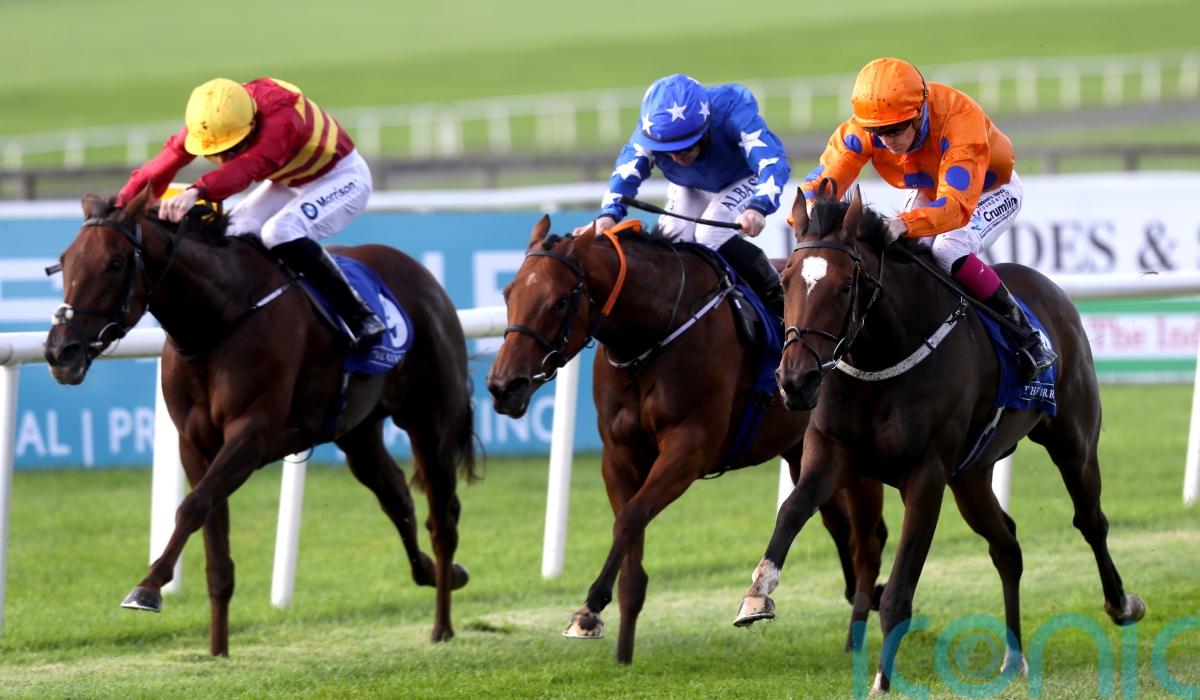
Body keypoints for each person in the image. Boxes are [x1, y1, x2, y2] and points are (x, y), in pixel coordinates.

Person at [800, 57, 1055, 382]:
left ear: (918, 113)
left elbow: (956, 206)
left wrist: (904, 223)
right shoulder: (865, 128)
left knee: (947, 251)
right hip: (931, 187)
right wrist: (810, 212)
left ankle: (1026, 335)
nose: (885, 141)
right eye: (876, 132)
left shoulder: (960, 119)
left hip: (987, 191)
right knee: (905, 256)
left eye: (894, 130)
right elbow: (822, 182)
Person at [115, 77, 386, 348]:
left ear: (252, 125)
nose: (224, 159)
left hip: (341, 177)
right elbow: (162, 164)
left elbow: (249, 167)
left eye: (231, 149)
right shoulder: (213, 120)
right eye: (216, 152)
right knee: (233, 233)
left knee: (279, 232)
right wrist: (121, 204)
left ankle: (359, 316)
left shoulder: (282, 118)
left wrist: (197, 191)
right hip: (290, 181)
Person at [572, 73, 790, 320]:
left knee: (709, 234)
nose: (676, 157)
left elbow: (773, 162)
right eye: (667, 151)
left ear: (705, 131)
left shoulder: (732, 110)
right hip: (689, 185)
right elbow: (625, 175)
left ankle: (779, 300)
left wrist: (758, 207)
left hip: (741, 178)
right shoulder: (653, 130)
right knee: (672, 240)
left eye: (685, 148)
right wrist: (607, 217)